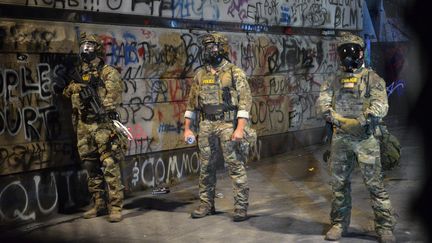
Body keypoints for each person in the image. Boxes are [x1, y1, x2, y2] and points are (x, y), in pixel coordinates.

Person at [317, 32, 396, 242]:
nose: (348, 55)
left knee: (375, 185)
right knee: (339, 184)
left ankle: (385, 226)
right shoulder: (333, 80)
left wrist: (361, 119)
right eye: (343, 51)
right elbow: (322, 105)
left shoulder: (373, 79)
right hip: (341, 139)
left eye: (352, 50)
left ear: (361, 53)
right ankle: (338, 223)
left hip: (366, 139)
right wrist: (340, 120)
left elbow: (381, 105)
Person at [183, 32, 254, 222]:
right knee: (206, 167)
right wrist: (187, 128)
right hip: (206, 124)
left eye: (214, 47)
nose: (210, 51)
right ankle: (206, 204)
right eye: (207, 47)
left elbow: (245, 102)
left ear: (222, 48)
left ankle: (240, 207)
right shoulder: (200, 74)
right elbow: (191, 104)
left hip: (228, 124)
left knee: (235, 166)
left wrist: (239, 128)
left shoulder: (233, 72)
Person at [61, 32, 127, 222]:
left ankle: (115, 206)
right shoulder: (78, 72)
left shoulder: (108, 71)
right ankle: (99, 204)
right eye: (83, 45)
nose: (86, 48)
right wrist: (75, 89)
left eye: (90, 45)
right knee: (90, 165)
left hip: (102, 124)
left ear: (97, 48)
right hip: (83, 125)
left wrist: (101, 105)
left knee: (109, 164)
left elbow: (114, 95)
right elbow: (66, 92)